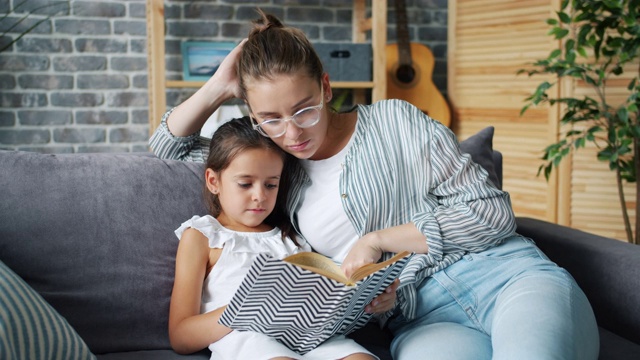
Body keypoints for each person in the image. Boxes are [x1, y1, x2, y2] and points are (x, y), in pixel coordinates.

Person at [152, 10, 600, 360]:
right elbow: (167, 148)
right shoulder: (275, 172)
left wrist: (380, 240)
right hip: (419, 320)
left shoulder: (395, 120)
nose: (292, 133)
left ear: (326, 87)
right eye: (271, 118)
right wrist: (216, 86)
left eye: (304, 109)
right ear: (253, 117)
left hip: (503, 276)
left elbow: (492, 213)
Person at [168, 116, 378, 360]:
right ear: (214, 181)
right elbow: (180, 336)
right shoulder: (203, 236)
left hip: (305, 338)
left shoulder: (292, 238)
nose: (260, 196)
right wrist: (248, 308)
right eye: (245, 184)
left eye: (271, 185)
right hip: (248, 339)